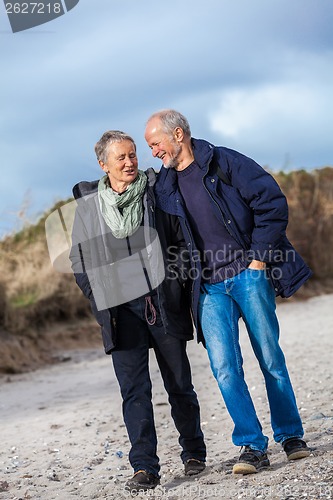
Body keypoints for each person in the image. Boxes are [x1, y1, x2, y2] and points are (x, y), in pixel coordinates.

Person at [144, 109, 312, 475]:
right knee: (224, 368)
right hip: (207, 288)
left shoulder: (224, 161)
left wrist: (258, 259)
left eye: (155, 143)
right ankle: (252, 447)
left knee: (270, 358)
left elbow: (272, 203)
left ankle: (291, 437)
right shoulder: (164, 186)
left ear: (177, 135)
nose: (153, 152)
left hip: (249, 274)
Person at [69, 130, 206, 492]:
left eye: (133, 155)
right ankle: (144, 467)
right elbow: (78, 259)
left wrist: (173, 282)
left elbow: (178, 241)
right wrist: (97, 295)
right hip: (119, 312)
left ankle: (193, 452)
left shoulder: (156, 192)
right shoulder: (88, 206)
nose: (131, 163)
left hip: (161, 303)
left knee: (179, 384)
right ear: (103, 165)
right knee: (134, 391)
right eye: (122, 158)